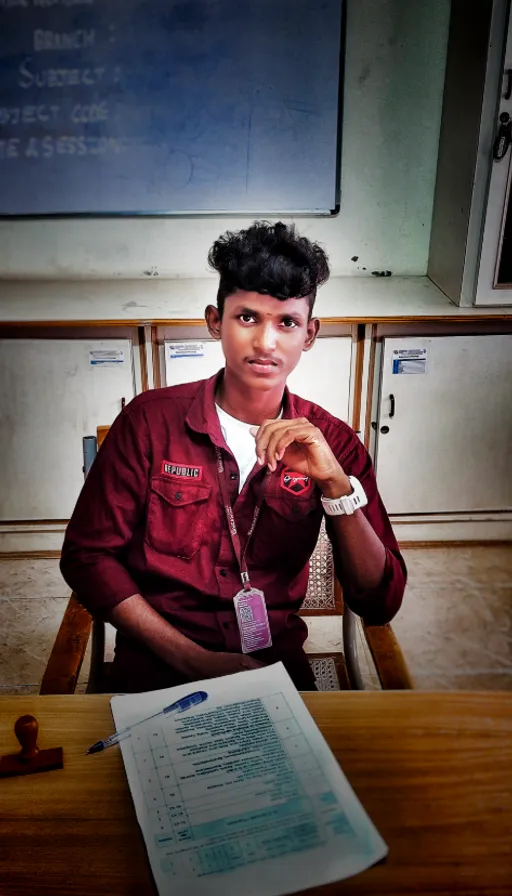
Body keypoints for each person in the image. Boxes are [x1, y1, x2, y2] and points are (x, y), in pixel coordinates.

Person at [60, 221, 406, 692]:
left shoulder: (335, 445)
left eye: (287, 322)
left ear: (309, 334)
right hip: (157, 664)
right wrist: (191, 659)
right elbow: (87, 557)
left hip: (273, 668)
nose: (266, 343)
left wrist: (338, 488)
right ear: (213, 321)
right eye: (247, 317)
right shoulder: (148, 422)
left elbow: (379, 600)